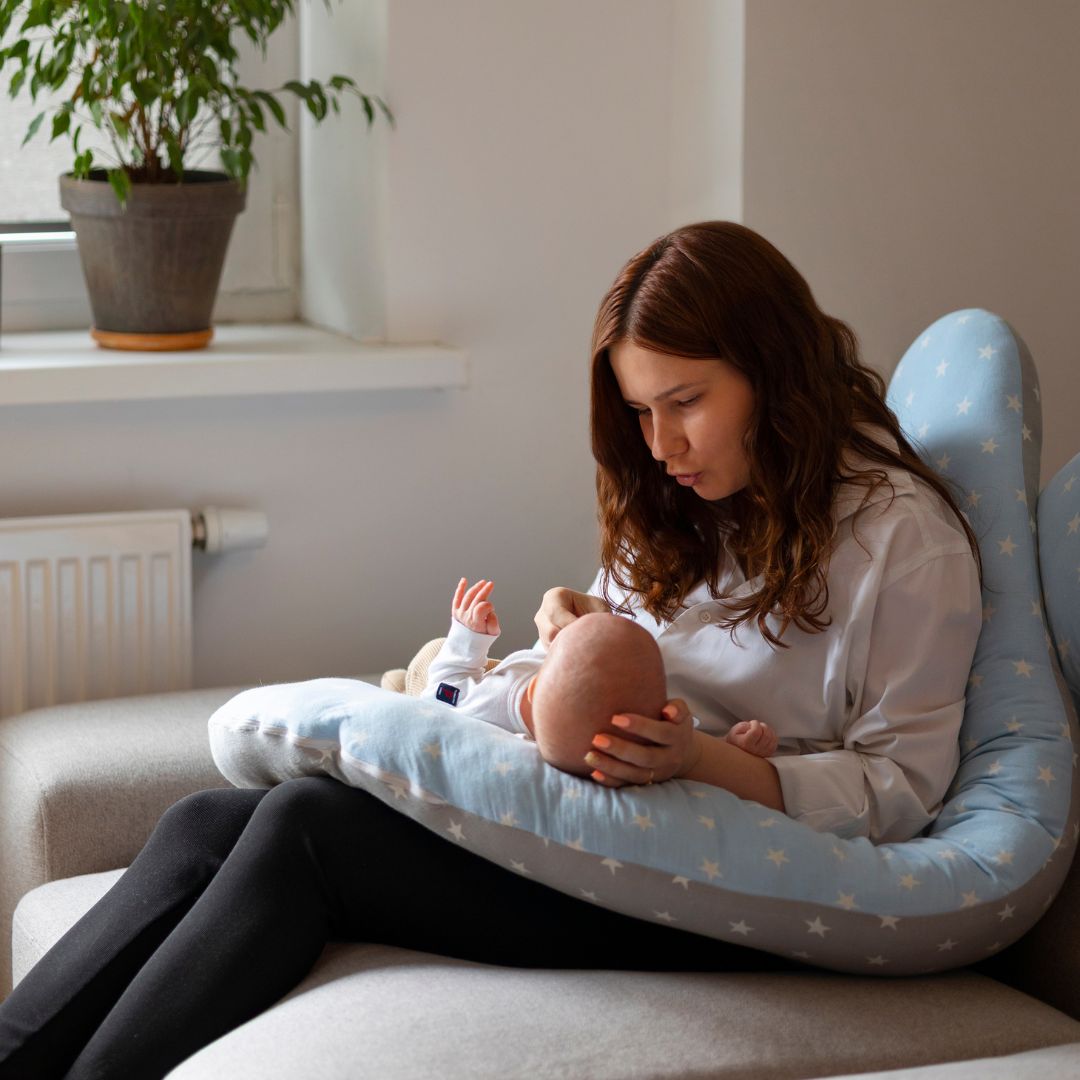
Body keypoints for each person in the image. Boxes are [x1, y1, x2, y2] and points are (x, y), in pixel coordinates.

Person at [0, 221, 983, 1079]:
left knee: (307, 835)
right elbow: (598, 672)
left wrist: (706, 763)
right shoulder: (686, 504)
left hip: (719, 877)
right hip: (611, 815)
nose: (661, 446)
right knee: (209, 821)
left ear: (774, 374)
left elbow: (902, 791)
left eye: (685, 402)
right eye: (641, 412)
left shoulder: (902, 541)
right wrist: (554, 656)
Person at [423, 576, 778, 778]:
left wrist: (468, 636)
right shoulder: (632, 723)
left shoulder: (487, 710)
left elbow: (443, 687)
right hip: (492, 669)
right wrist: (731, 745)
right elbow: (690, 738)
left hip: (473, 676)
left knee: (432, 658)